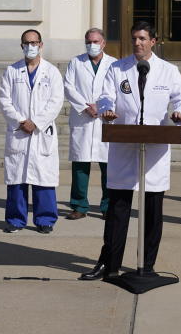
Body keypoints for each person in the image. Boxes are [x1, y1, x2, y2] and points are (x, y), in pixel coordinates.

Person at [79, 21, 181, 280]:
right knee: (118, 209)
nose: (138, 43)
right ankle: (110, 264)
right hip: (123, 145)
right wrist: (107, 109)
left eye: (142, 38)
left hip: (155, 148)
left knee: (153, 211)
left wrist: (179, 114)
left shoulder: (168, 71)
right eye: (134, 39)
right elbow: (106, 96)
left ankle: (148, 265)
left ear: (153, 41)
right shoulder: (118, 68)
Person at [0, 29, 64, 234]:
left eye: (34, 43)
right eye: (27, 43)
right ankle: (16, 220)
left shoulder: (51, 72)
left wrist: (36, 122)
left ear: (41, 45)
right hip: (20, 131)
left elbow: (56, 101)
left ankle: (45, 220)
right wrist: (20, 120)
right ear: (21, 46)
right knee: (17, 179)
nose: (31, 46)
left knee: (44, 178)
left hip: (41, 132)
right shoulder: (12, 71)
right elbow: (4, 100)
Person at [63, 27, 118, 220]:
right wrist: (85, 107)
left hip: (106, 119)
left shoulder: (114, 64)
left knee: (108, 166)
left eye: (96, 41)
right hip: (83, 119)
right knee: (80, 164)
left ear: (103, 43)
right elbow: (68, 87)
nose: (92, 45)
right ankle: (79, 205)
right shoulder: (76, 62)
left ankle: (108, 205)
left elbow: (117, 90)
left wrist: (102, 107)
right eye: (89, 41)